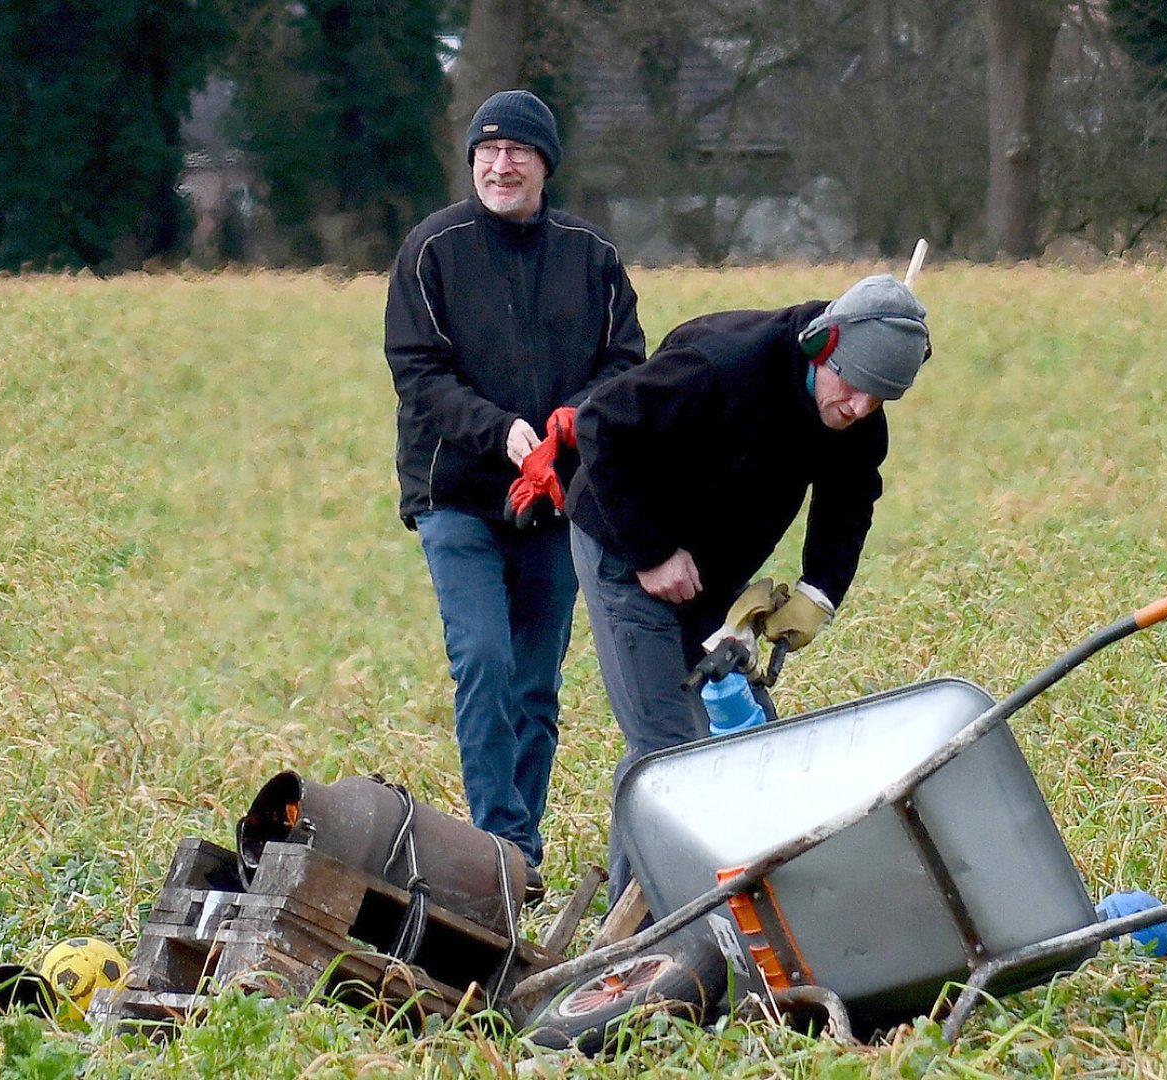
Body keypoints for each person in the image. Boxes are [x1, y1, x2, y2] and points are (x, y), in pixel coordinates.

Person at [562, 273, 932, 900]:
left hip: (706, 578)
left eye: (878, 401)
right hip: (626, 550)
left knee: (746, 740)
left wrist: (819, 592)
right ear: (823, 348)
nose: (859, 411)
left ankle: (640, 924)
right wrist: (652, 552)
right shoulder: (721, 366)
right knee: (674, 757)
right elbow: (602, 428)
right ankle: (654, 937)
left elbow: (849, 498)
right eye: (854, 392)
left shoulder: (857, 407)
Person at [383, 89, 646, 900]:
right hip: (456, 496)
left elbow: (625, 361)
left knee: (536, 681)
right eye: (488, 152)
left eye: (518, 152)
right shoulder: (432, 250)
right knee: (486, 663)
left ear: (545, 165)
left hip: (557, 503)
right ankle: (498, 845)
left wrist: (574, 421)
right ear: (472, 163)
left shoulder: (591, 256)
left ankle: (516, 859)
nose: (502, 165)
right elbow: (418, 373)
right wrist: (498, 431)